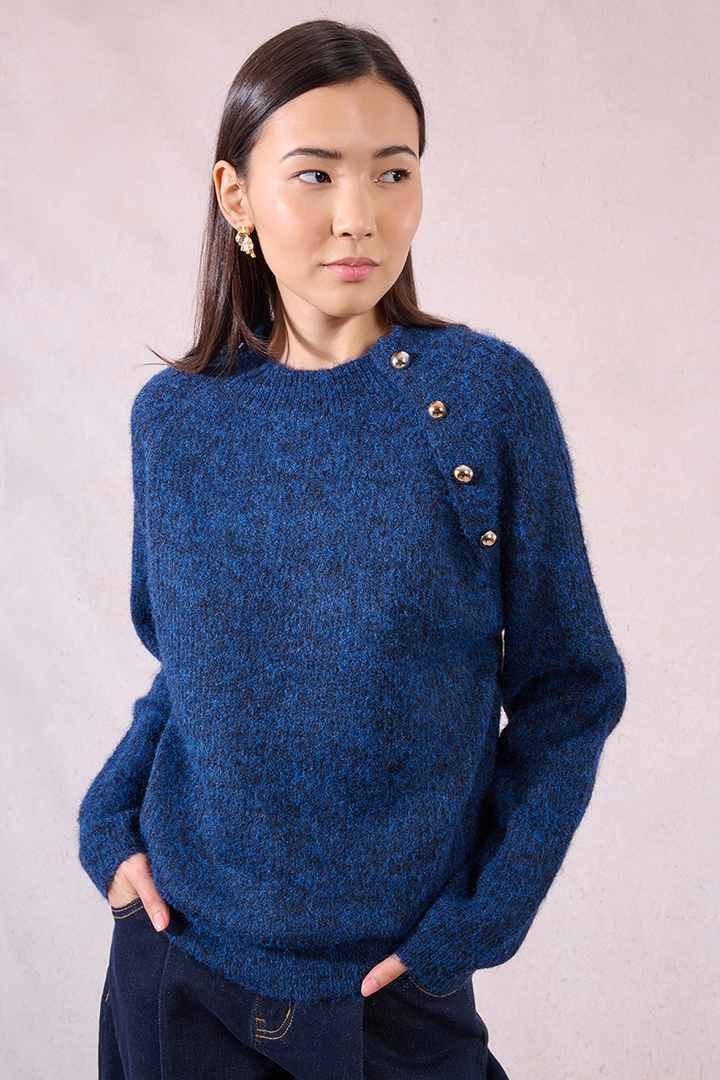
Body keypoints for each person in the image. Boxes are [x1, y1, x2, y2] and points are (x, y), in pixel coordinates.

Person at [77, 18, 627, 1080]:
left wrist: (475, 924)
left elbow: (571, 687)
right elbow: (182, 674)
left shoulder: (484, 401)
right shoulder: (175, 419)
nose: (358, 215)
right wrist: (108, 819)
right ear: (236, 196)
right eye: (315, 173)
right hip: (177, 971)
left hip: (391, 1000)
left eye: (393, 172)